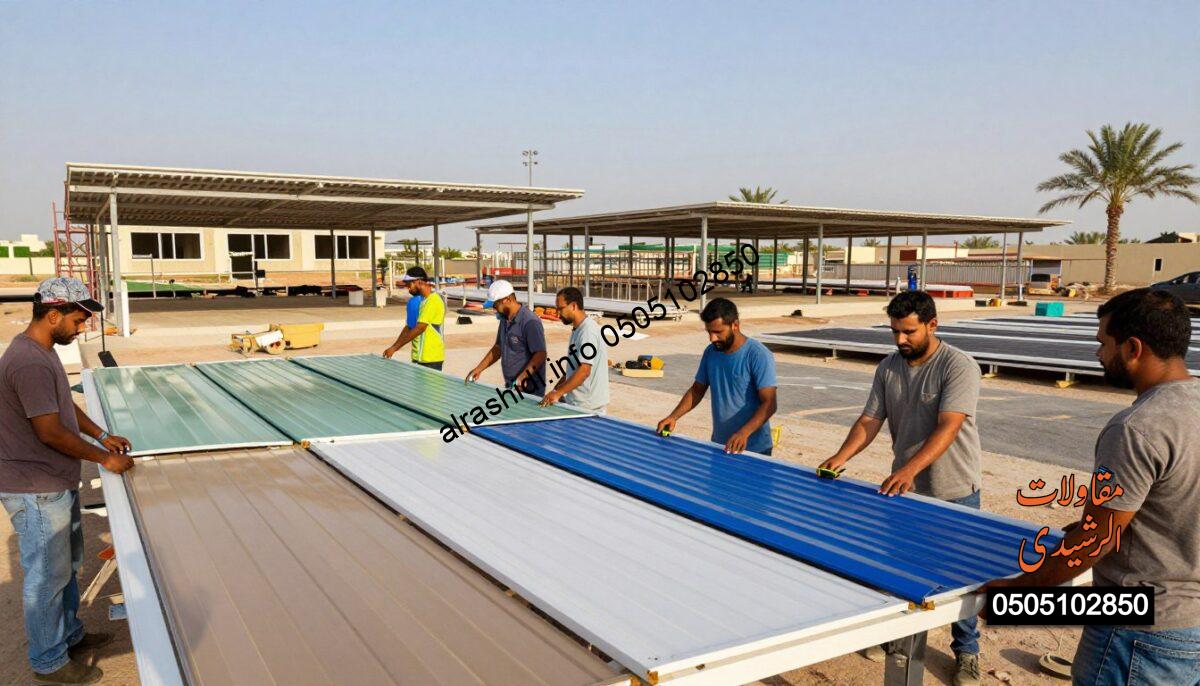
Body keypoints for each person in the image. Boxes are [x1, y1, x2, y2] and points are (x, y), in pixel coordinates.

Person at [981, 288, 1200, 686]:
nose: (1098, 354)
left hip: (1139, 630)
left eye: (1103, 343)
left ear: (1132, 348)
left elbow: (1095, 543)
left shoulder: (1138, 427)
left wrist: (1015, 594)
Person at [818, 290, 983, 686]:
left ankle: (967, 651)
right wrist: (840, 457)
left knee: (960, 578)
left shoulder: (958, 366)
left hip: (954, 488)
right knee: (903, 567)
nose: (900, 339)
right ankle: (899, 638)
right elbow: (869, 421)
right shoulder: (888, 367)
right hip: (906, 490)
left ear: (932, 325)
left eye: (909, 332)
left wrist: (908, 469)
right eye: (895, 331)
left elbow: (950, 425)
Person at [1, 277, 135, 685]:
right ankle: (49, 661)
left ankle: (70, 635)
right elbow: (49, 431)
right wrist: (104, 459)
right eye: (78, 320)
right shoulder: (28, 361)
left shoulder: (42, 351)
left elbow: (62, 408)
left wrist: (101, 435)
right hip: (36, 489)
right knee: (46, 578)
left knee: (66, 568)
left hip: (53, 483)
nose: (81, 328)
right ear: (53, 314)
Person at [656, 297, 777, 455]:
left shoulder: (757, 354)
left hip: (754, 449)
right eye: (709, 332)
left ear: (735, 325)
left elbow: (770, 403)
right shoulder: (711, 352)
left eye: (718, 332)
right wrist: (673, 416)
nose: (712, 338)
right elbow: (697, 390)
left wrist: (743, 433)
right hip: (720, 446)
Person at [466, 279, 548, 396]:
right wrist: (479, 369)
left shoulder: (530, 322)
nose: (494, 309)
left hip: (529, 389)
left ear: (508, 299)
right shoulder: (505, 319)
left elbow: (540, 354)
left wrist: (523, 377)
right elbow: (498, 347)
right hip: (512, 386)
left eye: (495, 305)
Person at [541, 287, 609, 414]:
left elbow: (584, 371)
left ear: (573, 306)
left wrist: (558, 393)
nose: (557, 313)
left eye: (560, 309)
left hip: (588, 408)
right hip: (577, 404)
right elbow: (573, 368)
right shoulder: (577, 329)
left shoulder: (587, 332)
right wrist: (556, 390)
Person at [383, 267, 445, 370]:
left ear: (418, 282)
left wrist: (394, 348)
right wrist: (393, 347)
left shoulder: (433, 301)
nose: (408, 288)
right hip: (419, 357)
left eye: (409, 285)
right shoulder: (423, 302)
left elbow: (420, 328)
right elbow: (409, 327)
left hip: (431, 358)